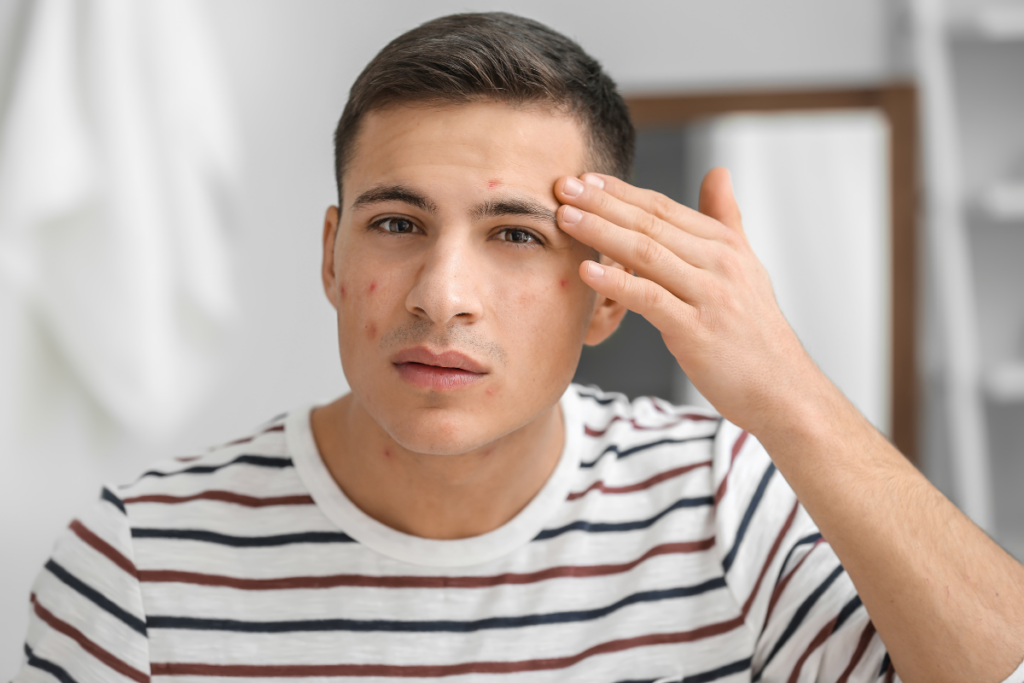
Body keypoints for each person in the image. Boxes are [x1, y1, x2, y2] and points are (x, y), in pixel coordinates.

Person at [14, 12, 1024, 683]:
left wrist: (788, 390)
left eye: (514, 235)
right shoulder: (136, 566)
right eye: (398, 224)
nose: (442, 298)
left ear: (603, 295)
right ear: (331, 255)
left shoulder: (723, 503)